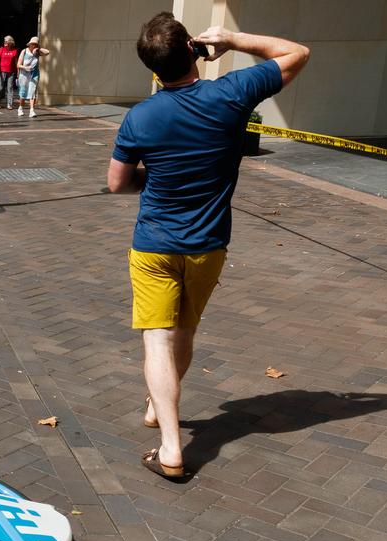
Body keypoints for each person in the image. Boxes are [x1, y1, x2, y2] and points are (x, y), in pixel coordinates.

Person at [106, 12, 309, 479]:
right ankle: (161, 407)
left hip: (154, 242)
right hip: (209, 242)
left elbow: (117, 183)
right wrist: (233, 39)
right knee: (184, 333)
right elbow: (297, 53)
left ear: (152, 69)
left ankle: (171, 445)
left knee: (156, 340)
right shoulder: (231, 93)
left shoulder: (140, 116)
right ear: (195, 51)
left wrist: (152, 175)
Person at [16, 36, 50, 117]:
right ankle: (20, 108)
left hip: (34, 75)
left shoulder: (37, 52)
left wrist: (38, 49)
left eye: (36, 44)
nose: (34, 46)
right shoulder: (24, 51)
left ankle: (32, 110)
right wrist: (25, 67)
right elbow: (18, 65)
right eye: (33, 44)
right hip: (24, 75)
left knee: (32, 92)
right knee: (23, 93)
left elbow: (47, 52)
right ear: (29, 44)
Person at [0, 35, 18, 109]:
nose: (5, 42)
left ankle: (9, 104)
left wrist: (18, 71)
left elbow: (16, 62)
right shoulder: (1, 49)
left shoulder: (14, 50)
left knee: (10, 87)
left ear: (10, 42)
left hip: (11, 72)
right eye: (4, 41)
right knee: (1, 87)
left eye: (6, 41)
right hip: (1, 71)